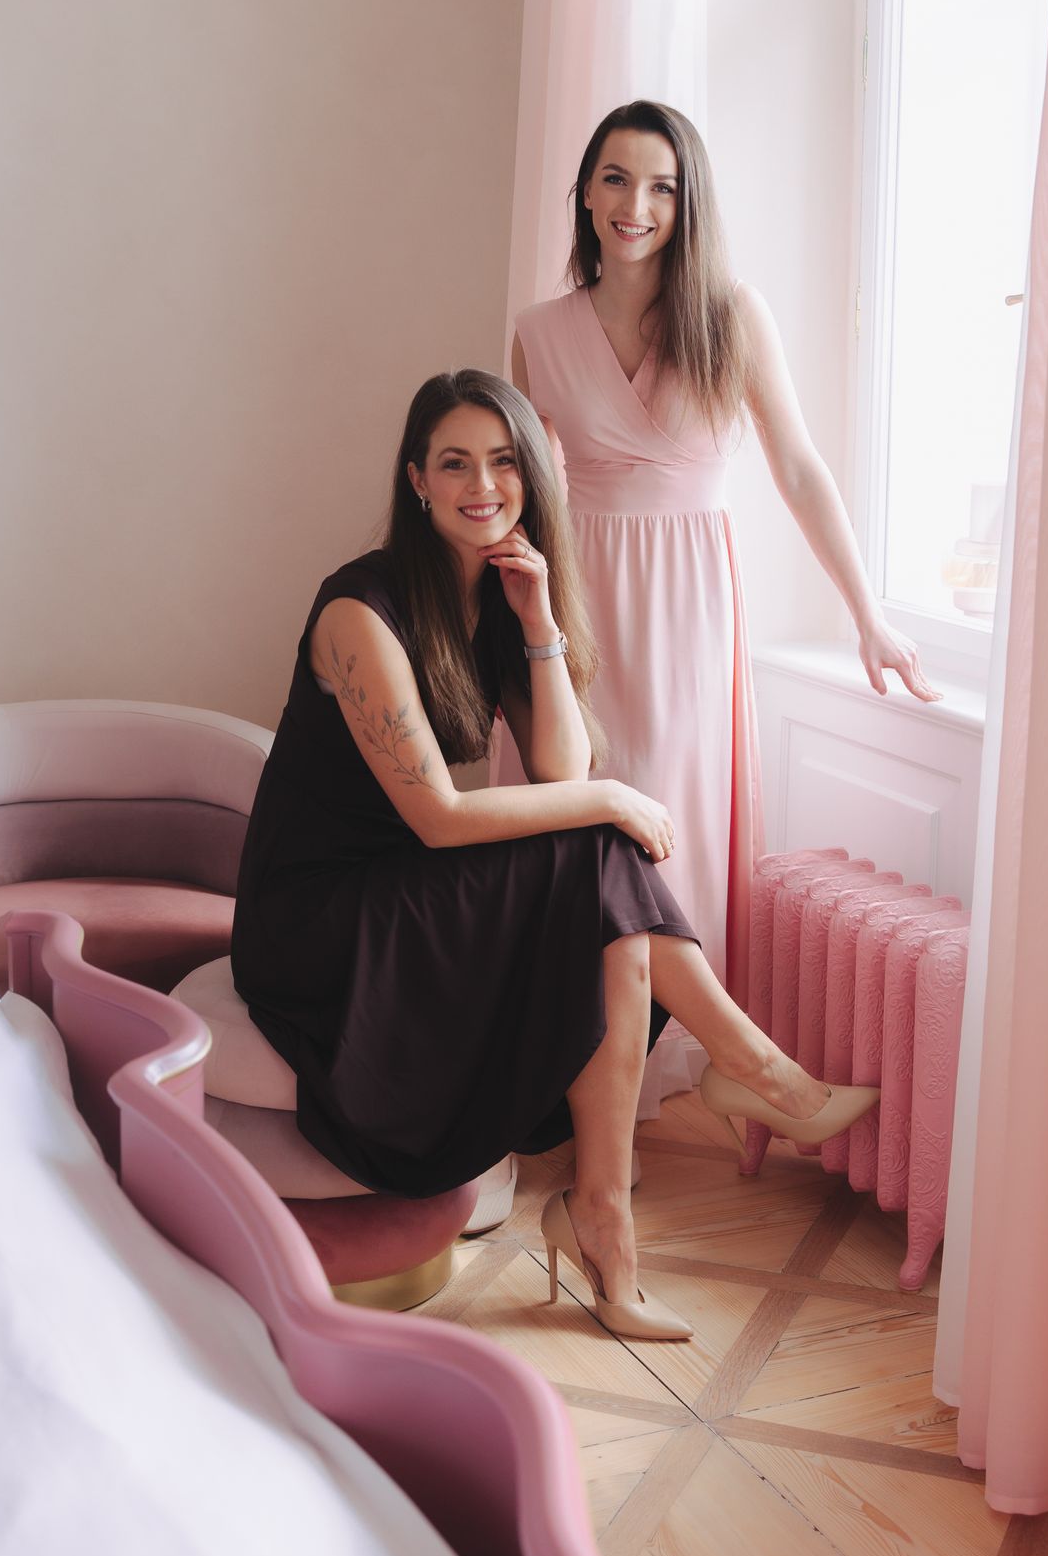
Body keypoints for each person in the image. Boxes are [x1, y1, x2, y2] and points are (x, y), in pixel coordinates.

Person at [231, 369, 878, 1345]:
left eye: (503, 462)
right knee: (599, 850)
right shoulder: (358, 611)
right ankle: (748, 1076)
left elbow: (557, 767)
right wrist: (614, 798)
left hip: (404, 882)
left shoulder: (495, 596)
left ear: (530, 476)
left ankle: (607, 1217)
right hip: (321, 921)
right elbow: (443, 816)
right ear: (416, 479)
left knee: (603, 901)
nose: (482, 485)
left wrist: (537, 623)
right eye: (455, 463)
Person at [511, 100, 939, 1011]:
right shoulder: (540, 331)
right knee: (570, 811)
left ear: (687, 201)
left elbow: (799, 467)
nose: (636, 206)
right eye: (616, 179)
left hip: (687, 605)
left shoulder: (731, 316)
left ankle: (672, 1046)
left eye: (662, 187)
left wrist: (868, 615)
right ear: (585, 192)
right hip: (578, 600)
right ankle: (561, 1048)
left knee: (666, 821)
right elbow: (520, 496)